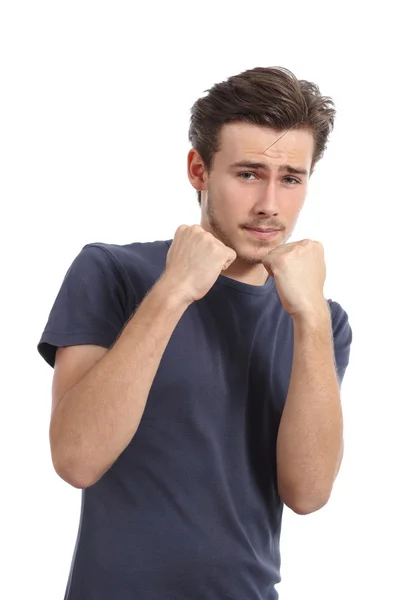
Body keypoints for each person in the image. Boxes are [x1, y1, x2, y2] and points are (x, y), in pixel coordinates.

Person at [37, 66, 352, 600]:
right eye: (249, 173)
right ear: (199, 170)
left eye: (291, 178)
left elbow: (308, 493)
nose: (270, 205)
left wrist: (311, 319)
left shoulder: (322, 322)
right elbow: (76, 459)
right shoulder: (112, 272)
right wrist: (173, 290)